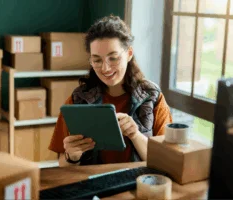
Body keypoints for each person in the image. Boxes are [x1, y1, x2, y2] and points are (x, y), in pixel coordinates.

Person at [48, 15, 173, 167]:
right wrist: (72, 156)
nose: (105, 68)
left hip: (137, 185)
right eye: (97, 60)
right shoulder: (77, 99)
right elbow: (63, 165)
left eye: (113, 58)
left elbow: (166, 161)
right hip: (92, 186)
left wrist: (135, 135)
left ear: (129, 54)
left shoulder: (153, 97)